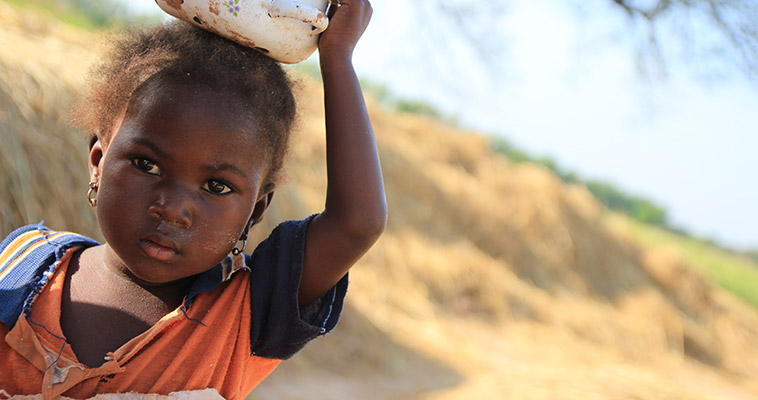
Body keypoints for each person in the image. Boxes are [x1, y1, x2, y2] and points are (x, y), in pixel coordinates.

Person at [0, 0, 385, 398]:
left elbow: (357, 223)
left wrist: (337, 58)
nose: (172, 207)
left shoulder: (247, 315)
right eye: (146, 165)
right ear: (98, 161)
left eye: (216, 186)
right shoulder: (23, 265)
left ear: (254, 212)